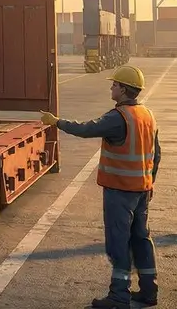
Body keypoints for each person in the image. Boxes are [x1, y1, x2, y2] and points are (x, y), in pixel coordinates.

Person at [40, 65, 160, 308]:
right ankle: (149, 291)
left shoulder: (118, 117)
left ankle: (118, 297)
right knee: (141, 239)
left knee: (118, 242)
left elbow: (87, 129)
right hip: (142, 190)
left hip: (120, 191)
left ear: (124, 90)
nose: (111, 87)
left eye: (114, 84)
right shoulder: (147, 114)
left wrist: (57, 122)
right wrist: (149, 182)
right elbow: (156, 155)